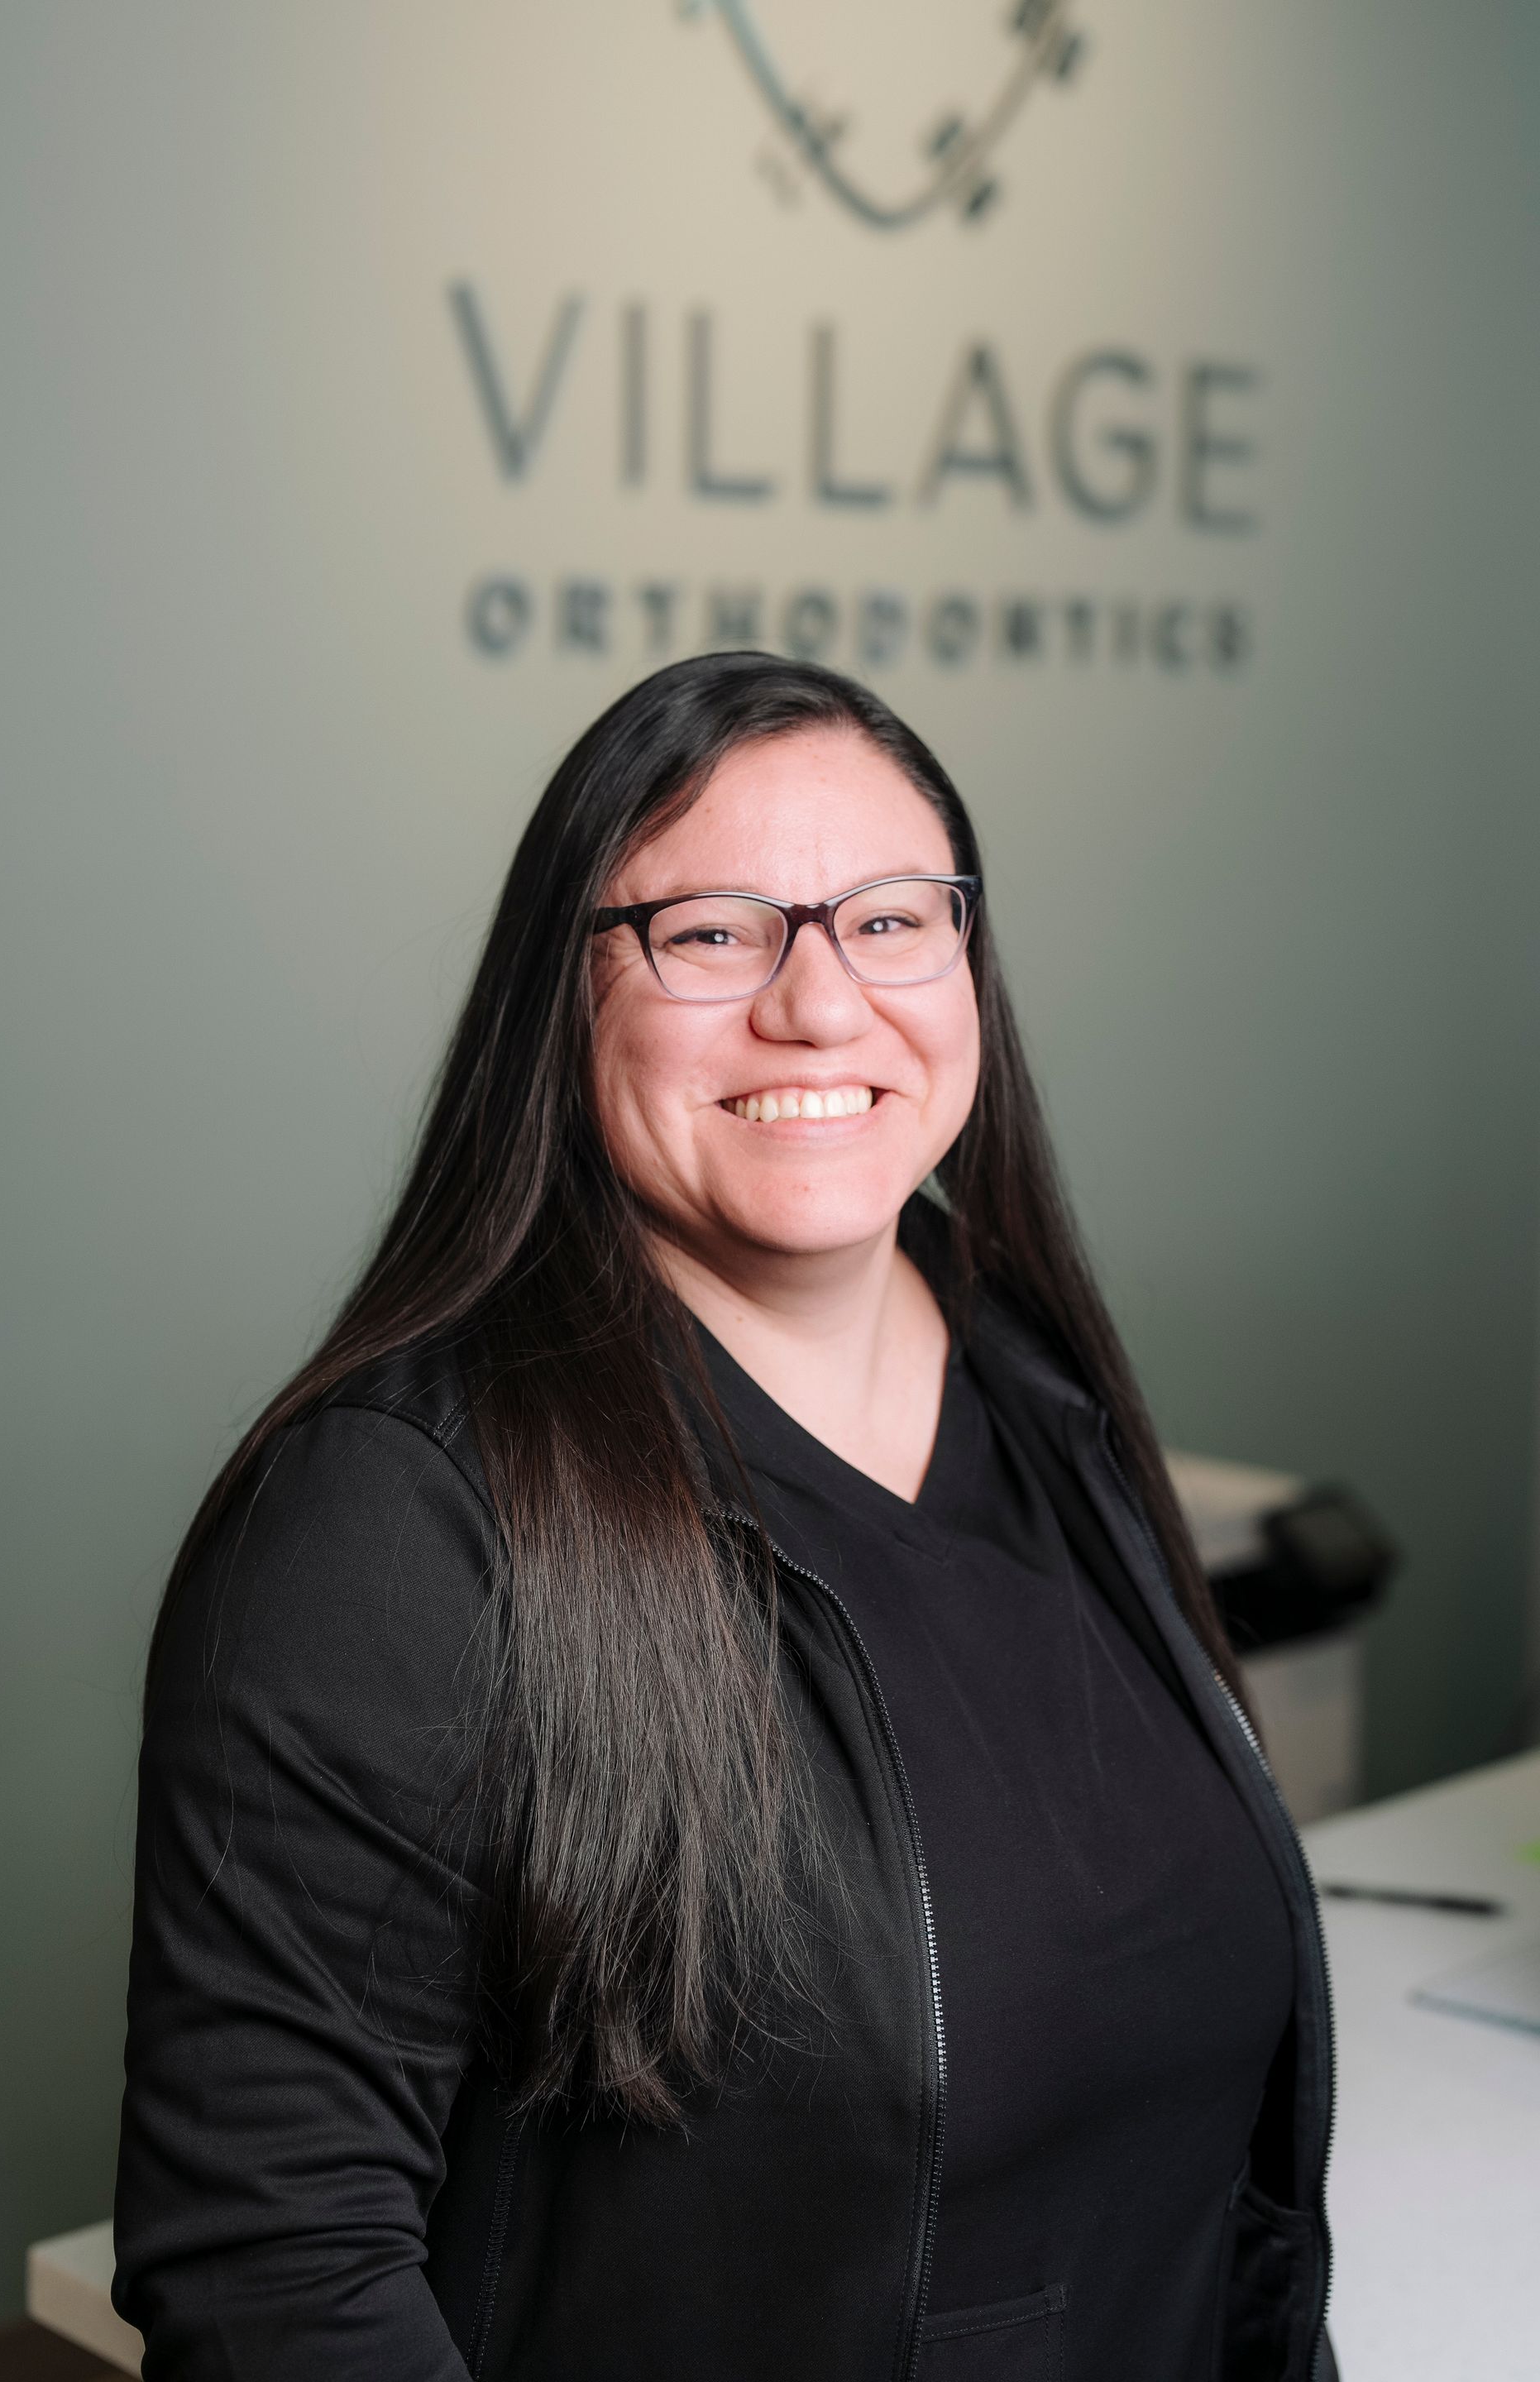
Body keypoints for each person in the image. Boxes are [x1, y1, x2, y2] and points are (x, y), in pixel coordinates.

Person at [113, 653, 1337, 2382]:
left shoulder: (1039, 1380)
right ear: (570, 993)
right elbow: (276, 2283)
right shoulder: (389, 1522)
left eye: (893, 920)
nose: (821, 1006)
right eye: (712, 933)